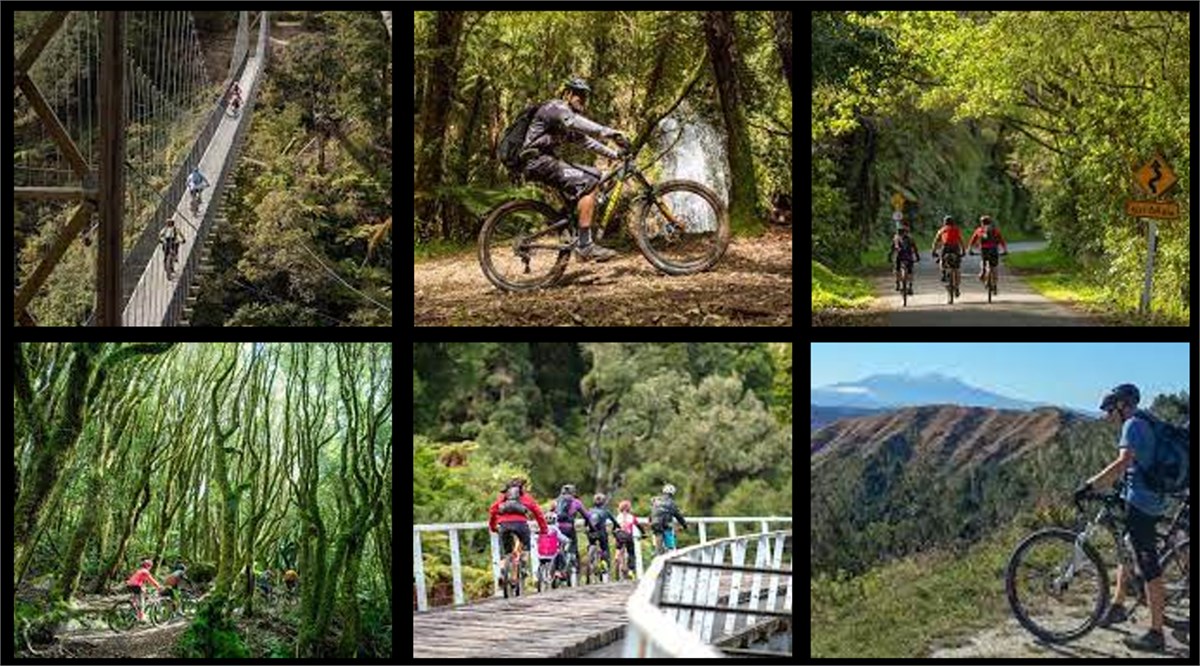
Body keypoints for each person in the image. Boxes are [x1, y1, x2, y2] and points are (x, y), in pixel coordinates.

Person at [1073, 384, 1167, 652]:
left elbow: (1123, 462)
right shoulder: (1146, 421)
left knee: (1149, 567)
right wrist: (1120, 485)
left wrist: (1091, 484)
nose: (1107, 416)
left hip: (1142, 504)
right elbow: (1138, 464)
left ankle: (1156, 633)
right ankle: (1117, 604)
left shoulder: (1132, 425)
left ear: (1122, 406)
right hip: (1148, 497)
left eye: (1109, 410)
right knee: (1126, 547)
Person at [518, 78, 630, 262]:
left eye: (584, 96)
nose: (582, 99)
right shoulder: (556, 108)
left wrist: (615, 155)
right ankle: (585, 246)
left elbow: (587, 142)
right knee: (589, 182)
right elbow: (575, 123)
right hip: (538, 161)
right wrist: (611, 133)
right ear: (567, 94)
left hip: (546, 161)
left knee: (595, 174)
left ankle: (572, 227)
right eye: (578, 94)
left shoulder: (564, 122)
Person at [487, 477, 549, 562]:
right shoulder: (526, 498)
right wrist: (544, 529)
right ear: (521, 488)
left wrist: (493, 527)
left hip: (504, 526)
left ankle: (504, 566)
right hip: (521, 525)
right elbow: (538, 514)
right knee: (526, 546)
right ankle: (523, 562)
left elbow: (492, 512)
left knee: (506, 552)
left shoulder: (502, 498)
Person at [553, 484, 596, 577]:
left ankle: (556, 570)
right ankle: (570, 568)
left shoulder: (556, 501)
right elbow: (587, 515)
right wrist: (592, 527)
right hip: (569, 528)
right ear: (573, 493)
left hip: (557, 527)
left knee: (557, 548)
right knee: (573, 546)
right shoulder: (576, 502)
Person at [966, 215, 1009, 286]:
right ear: (990, 222)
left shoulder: (979, 230)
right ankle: (995, 282)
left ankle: (983, 272)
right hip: (994, 249)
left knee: (984, 262)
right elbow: (1001, 240)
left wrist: (970, 249)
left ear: (981, 223)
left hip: (984, 250)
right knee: (994, 266)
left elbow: (972, 241)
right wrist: (1005, 250)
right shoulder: (995, 230)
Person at [586, 493, 621, 578]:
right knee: (605, 548)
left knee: (591, 544)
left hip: (591, 533)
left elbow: (586, 523)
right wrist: (615, 528)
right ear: (603, 502)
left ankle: (590, 561)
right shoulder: (606, 511)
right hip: (601, 533)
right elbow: (615, 522)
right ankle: (604, 564)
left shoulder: (589, 511)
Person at [931, 215, 965, 294]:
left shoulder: (942, 230)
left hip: (946, 247)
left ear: (944, 222)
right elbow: (961, 241)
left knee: (941, 260)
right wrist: (963, 250)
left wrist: (933, 251)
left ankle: (943, 273)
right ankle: (957, 287)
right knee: (957, 268)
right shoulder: (956, 229)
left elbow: (935, 241)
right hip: (955, 248)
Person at [650, 484, 688, 555]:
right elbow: (678, 516)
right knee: (670, 544)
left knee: (657, 540)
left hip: (654, 524)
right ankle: (670, 551)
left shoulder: (656, 501)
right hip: (666, 525)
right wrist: (684, 525)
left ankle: (657, 552)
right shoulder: (672, 503)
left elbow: (653, 513)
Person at [615, 500, 646, 580]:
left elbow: (615, 527)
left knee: (618, 546)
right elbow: (639, 526)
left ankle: (617, 556)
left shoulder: (618, 517)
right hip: (628, 536)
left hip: (619, 535)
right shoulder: (632, 517)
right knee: (631, 553)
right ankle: (631, 570)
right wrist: (644, 534)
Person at [888, 225, 920, 293]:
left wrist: (889, 257)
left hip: (899, 256)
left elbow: (892, 249)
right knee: (910, 271)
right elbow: (915, 248)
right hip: (908, 257)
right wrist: (917, 256)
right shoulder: (910, 238)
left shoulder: (896, 238)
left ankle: (897, 283)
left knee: (897, 269)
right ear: (905, 232)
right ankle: (910, 286)